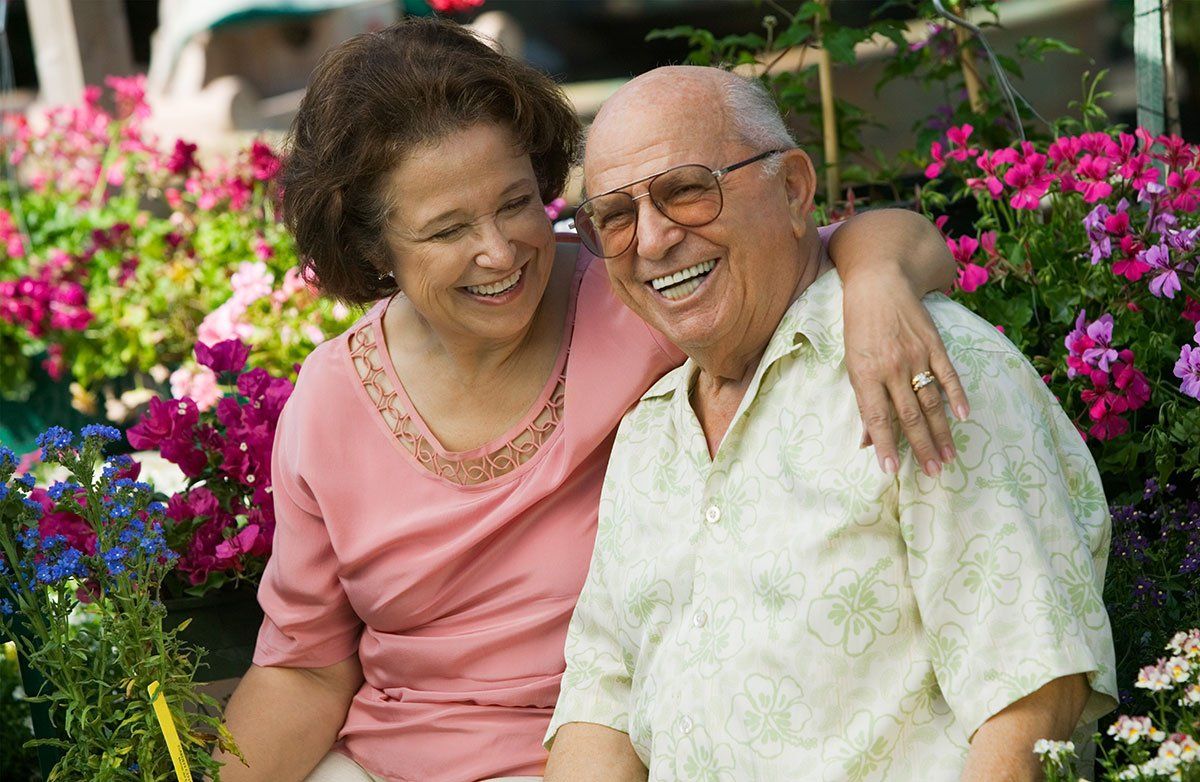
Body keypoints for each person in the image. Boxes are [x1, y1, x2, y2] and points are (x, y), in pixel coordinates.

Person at [216, 20, 967, 782]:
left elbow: (865, 239)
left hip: (606, 754)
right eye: (447, 230)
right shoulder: (332, 399)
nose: (501, 252)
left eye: (515, 204)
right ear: (374, 250)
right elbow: (304, 669)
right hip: (381, 764)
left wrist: (874, 282)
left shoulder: (645, 295)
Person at [543, 65, 1119, 782]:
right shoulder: (649, 433)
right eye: (617, 217)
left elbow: (1031, 688)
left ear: (792, 188)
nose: (652, 240)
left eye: (686, 190)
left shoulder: (918, 363)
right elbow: (604, 699)